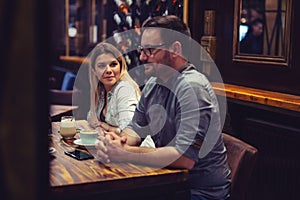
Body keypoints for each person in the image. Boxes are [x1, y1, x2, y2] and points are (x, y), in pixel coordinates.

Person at [96, 15, 231, 200]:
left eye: (150, 50)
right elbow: (135, 129)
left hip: (200, 192)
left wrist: (124, 152)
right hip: (170, 184)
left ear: (175, 49)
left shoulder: (193, 87)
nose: (142, 57)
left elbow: (184, 158)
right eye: (142, 50)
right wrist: (117, 142)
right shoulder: (152, 83)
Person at [87, 42, 141, 134]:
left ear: (120, 67)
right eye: (102, 66)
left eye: (113, 64)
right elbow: (90, 117)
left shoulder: (124, 89)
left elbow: (128, 132)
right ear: (94, 71)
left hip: (135, 147)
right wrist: (99, 126)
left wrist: (104, 126)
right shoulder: (102, 90)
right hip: (112, 145)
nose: (108, 70)